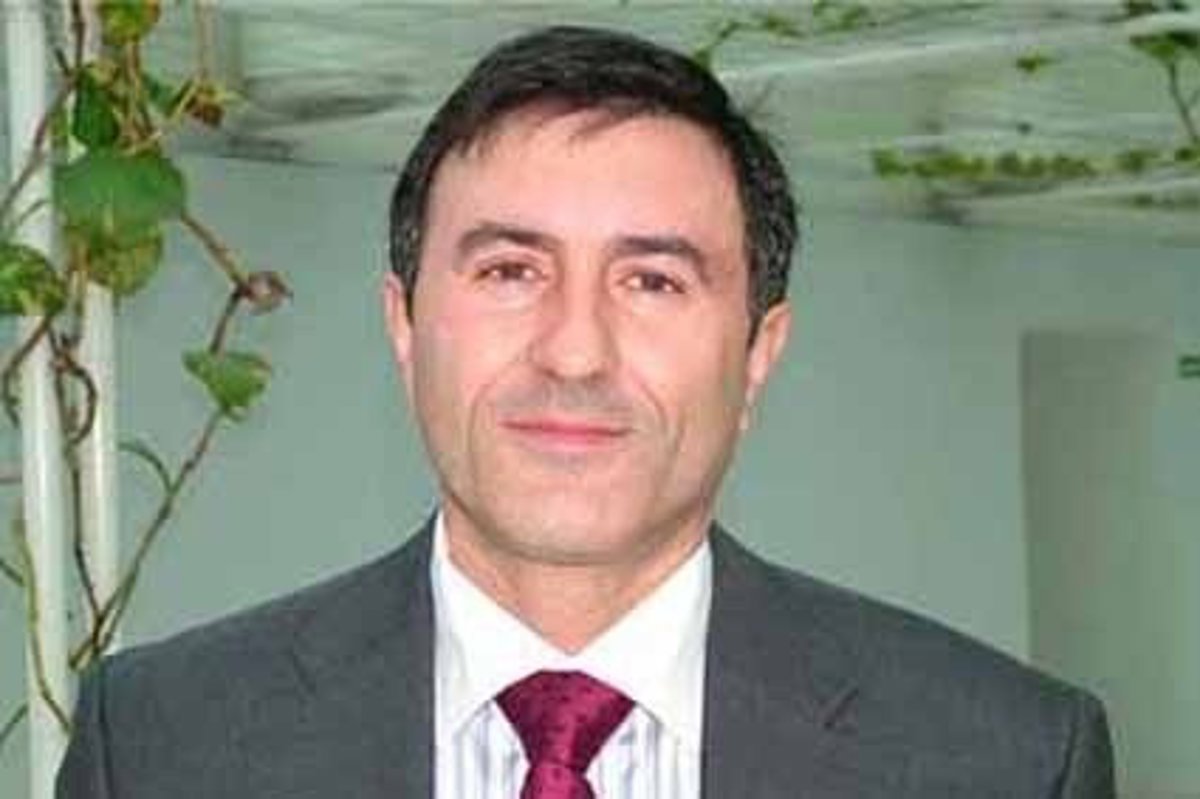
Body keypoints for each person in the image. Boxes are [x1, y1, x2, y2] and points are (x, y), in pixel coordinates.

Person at [58, 25, 1114, 798]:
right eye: (511, 270)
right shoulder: (161, 746)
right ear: (404, 324)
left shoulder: (1003, 760)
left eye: (653, 281)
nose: (574, 350)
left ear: (758, 354)